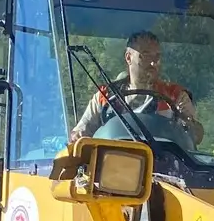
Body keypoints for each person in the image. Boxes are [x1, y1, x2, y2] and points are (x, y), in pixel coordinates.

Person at [69, 31, 204, 145]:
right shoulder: (105, 96)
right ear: (128, 58)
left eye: (157, 56)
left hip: (164, 168)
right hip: (112, 166)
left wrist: (190, 126)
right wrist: (77, 136)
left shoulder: (175, 96)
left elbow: (196, 137)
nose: (154, 62)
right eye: (145, 55)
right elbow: (80, 133)